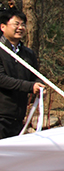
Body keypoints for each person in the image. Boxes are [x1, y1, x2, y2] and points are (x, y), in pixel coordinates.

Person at [0, 9, 45, 139]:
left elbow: (35, 76)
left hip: (18, 116)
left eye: (23, 24)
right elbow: (1, 79)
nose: (20, 28)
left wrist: (40, 86)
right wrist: (30, 87)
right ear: (3, 27)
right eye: (16, 24)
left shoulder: (28, 54)